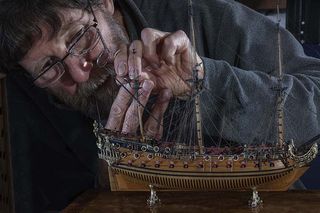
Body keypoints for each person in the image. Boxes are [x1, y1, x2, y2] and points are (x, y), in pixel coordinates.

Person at [1, 0, 320, 212]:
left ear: (105, 4)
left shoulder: (209, 16)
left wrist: (207, 81)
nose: (80, 70)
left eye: (80, 37)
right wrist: (112, 174)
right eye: (49, 68)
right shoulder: (23, 98)